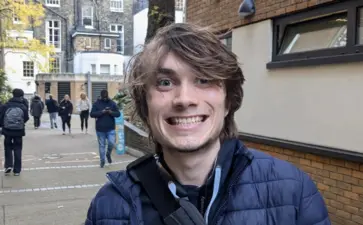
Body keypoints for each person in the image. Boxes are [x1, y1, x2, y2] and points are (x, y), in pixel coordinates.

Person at [84, 24, 330, 225]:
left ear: (228, 101)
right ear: (145, 104)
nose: (185, 99)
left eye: (203, 79)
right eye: (165, 83)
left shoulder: (293, 191)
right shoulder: (110, 206)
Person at [0, 89, 29, 176]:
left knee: (8, 147)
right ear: (21, 96)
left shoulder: (6, 105)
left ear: (13, 95)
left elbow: (1, 117)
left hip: (7, 130)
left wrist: (3, 126)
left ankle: (8, 165)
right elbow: (26, 118)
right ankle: (17, 170)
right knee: (18, 148)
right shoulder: (23, 106)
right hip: (19, 131)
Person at [89, 90, 120, 168]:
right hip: (100, 129)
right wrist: (102, 112)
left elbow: (118, 114)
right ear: (101, 96)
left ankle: (108, 154)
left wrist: (111, 112)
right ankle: (102, 161)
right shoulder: (97, 104)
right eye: (104, 97)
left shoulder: (112, 103)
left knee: (111, 143)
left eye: (106, 97)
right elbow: (92, 114)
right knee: (102, 145)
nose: (105, 98)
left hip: (110, 128)